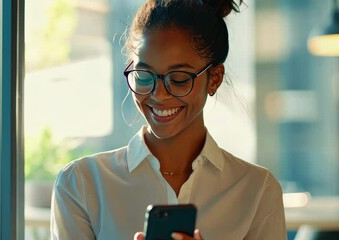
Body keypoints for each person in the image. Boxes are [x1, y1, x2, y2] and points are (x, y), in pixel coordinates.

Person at [51, 0, 287, 239]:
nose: (158, 94)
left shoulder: (257, 190)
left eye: (179, 78)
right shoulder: (81, 184)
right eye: (144, 75)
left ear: (214, 78)